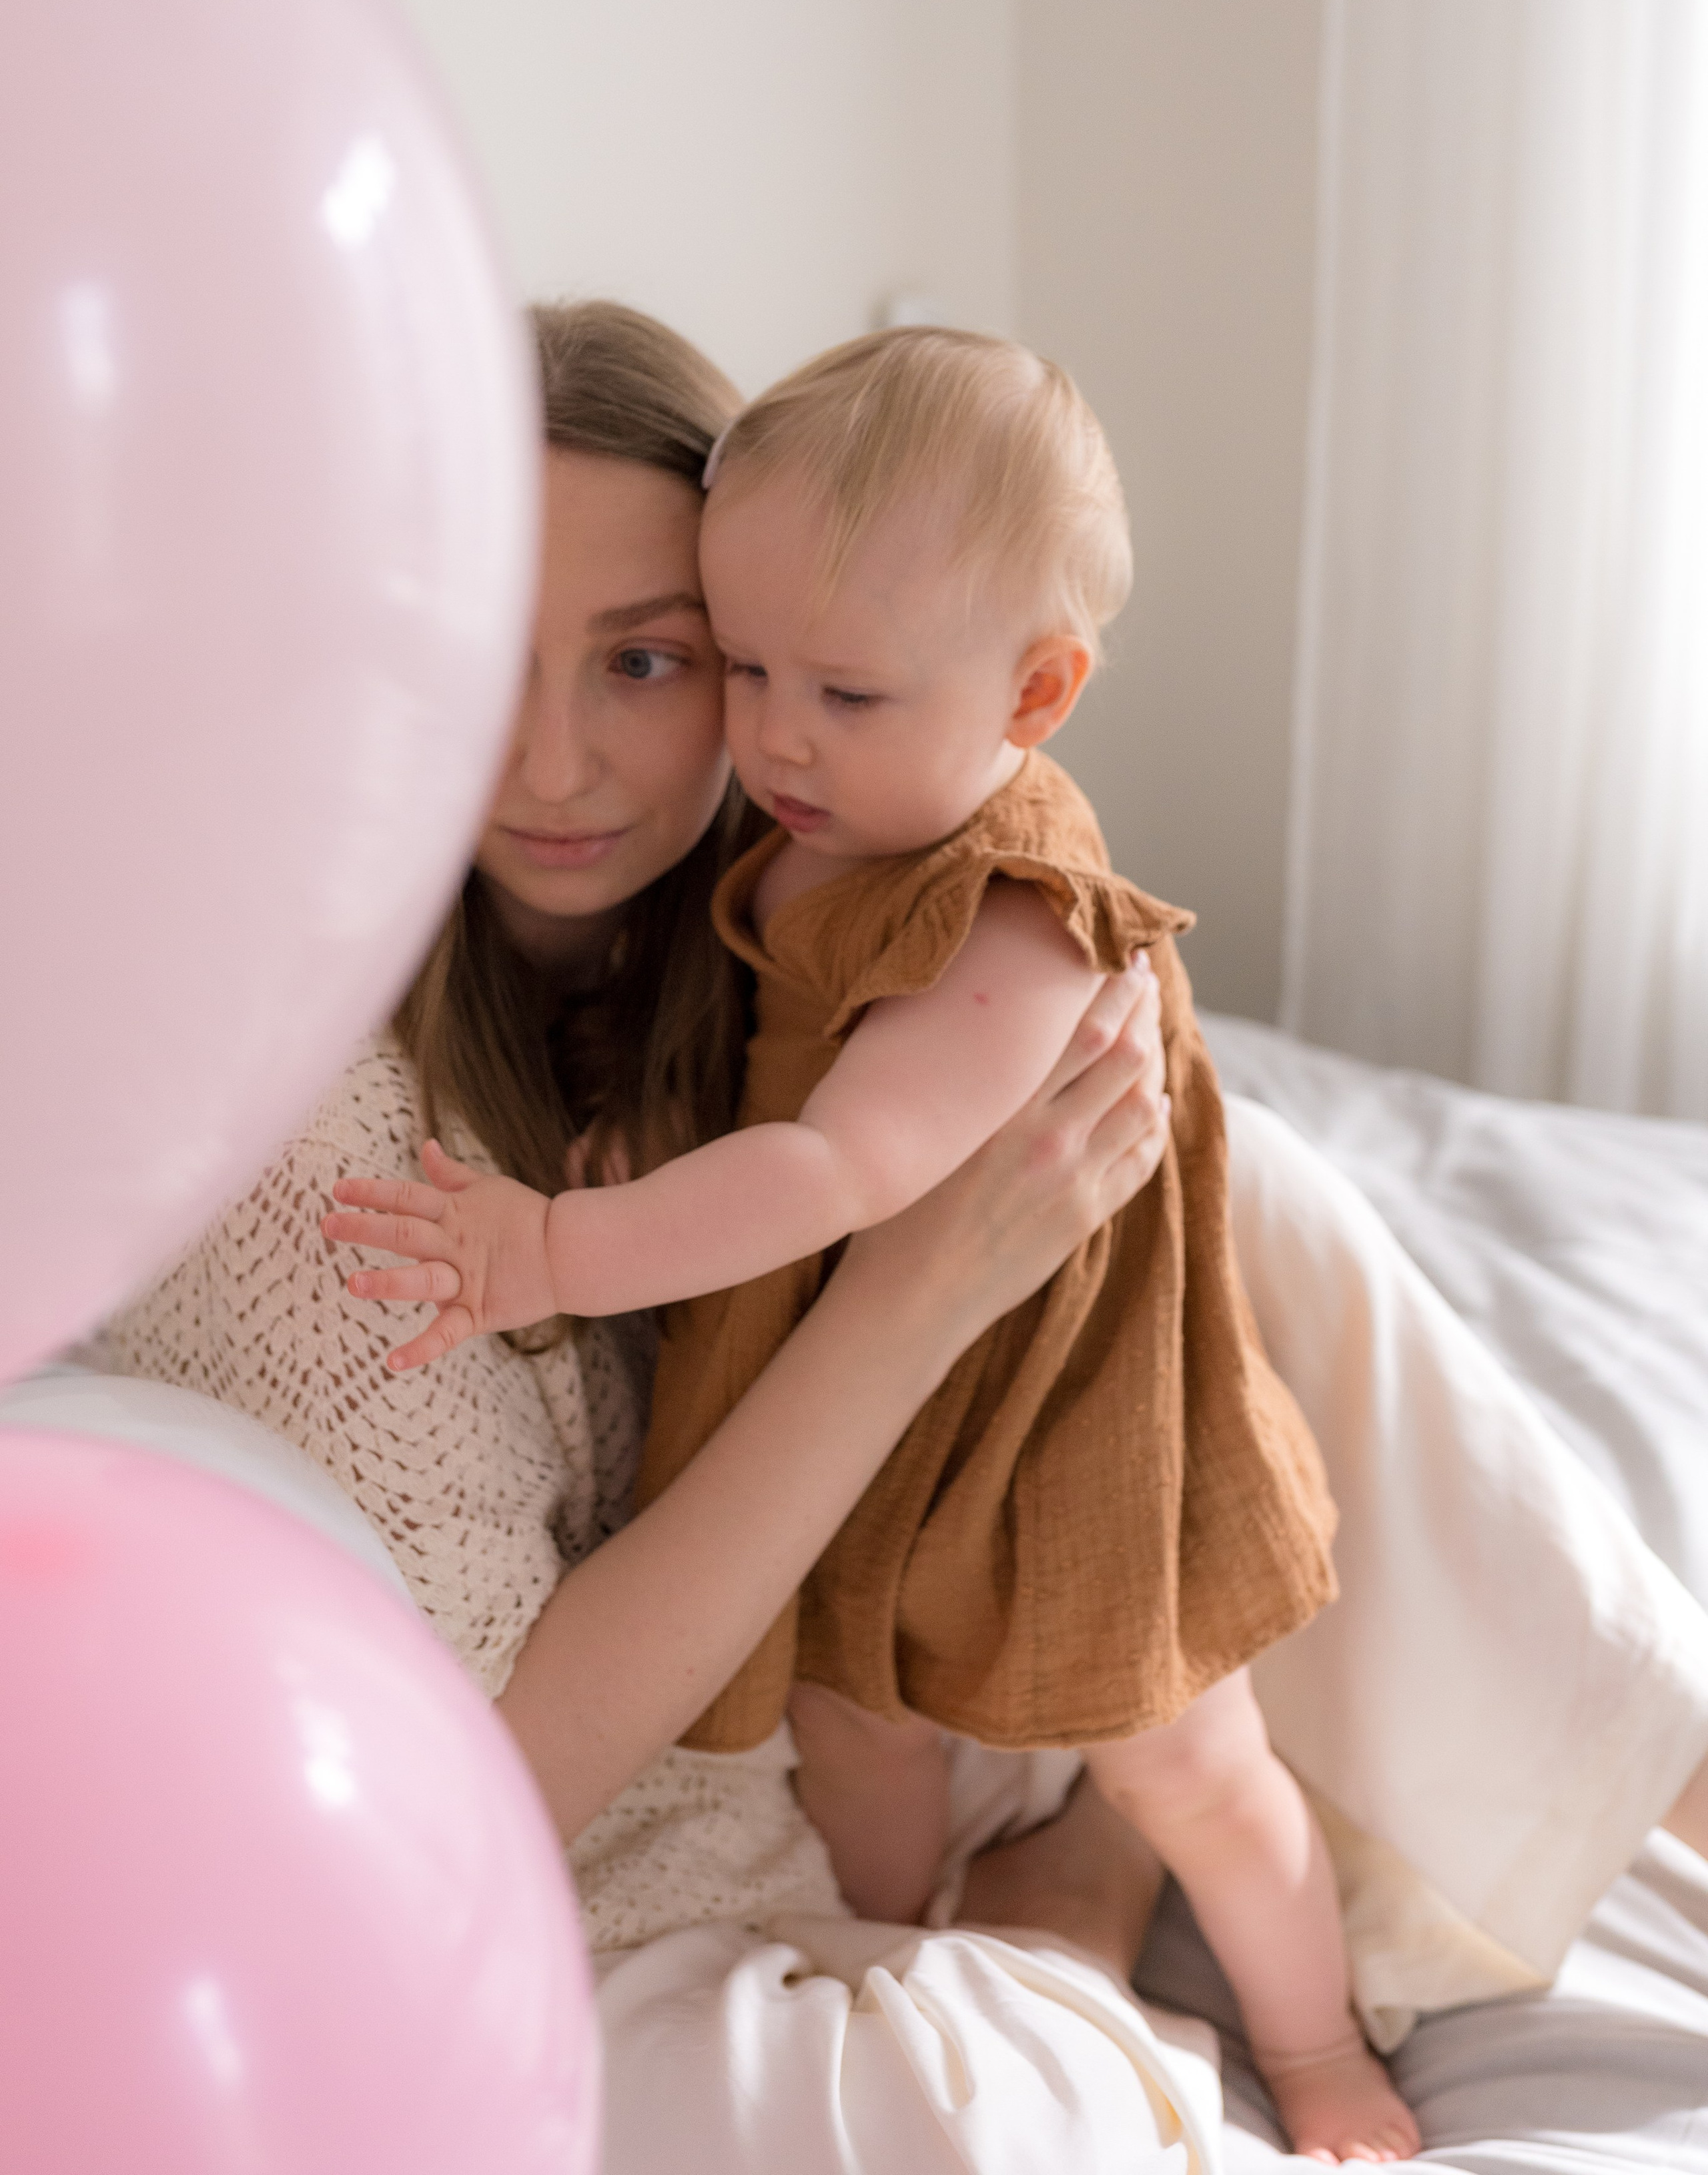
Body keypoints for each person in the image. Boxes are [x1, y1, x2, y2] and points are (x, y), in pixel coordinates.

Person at [98, 301, 1708, 2175]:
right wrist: (915, 1291)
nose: (552, 763)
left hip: (892, 1599)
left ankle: (1638, 1760)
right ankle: (1079, 1894)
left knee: (1232, 1180)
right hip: (646, 1780)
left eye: (646, 661)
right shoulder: (317, 1109)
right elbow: (502, 1786)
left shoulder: (784, 897)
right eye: (479, 656)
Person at [326, 327, 1407, 2162]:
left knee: (1195, 1748)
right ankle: (935, 1941)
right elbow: (762, 1098)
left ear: (1036, 693)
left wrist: (556, 1248)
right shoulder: (780, 849)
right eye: (745, 669)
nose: (773, 738)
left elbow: (833, 1164)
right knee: (859, 1758)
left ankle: (1317, 2043)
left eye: (652, 661)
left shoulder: (1004, 897)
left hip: (1047, 1437)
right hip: (855, 1481)